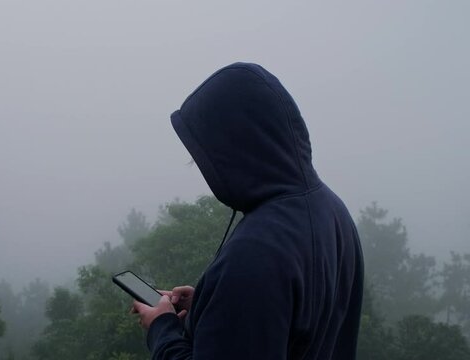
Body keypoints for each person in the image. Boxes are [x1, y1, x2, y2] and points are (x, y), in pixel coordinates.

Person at [132, 63, 364, 359]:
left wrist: (162, 328)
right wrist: (209, 304)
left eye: (204, 156)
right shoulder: (332, 211)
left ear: (233, 148)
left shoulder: (256, 252)